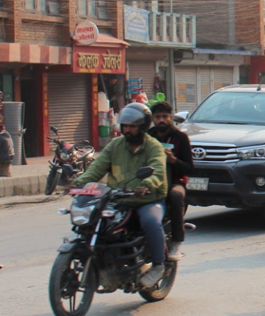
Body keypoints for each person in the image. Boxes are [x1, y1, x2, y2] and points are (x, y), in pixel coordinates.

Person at [75, 103, 168, 289]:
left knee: (150, 221)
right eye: (125, 126)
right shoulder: (115, 145)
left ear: (142, 127)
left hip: (147, 200)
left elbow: (157, 170)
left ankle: (159, 265)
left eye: (132, 126)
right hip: (118, 200)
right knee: (96, 223)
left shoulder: (153, 147)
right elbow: (96, 168)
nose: (128, 130)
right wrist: (78, 184)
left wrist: (145, 185)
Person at [149, 101, 193, 262]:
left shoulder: (181, 137)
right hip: (151, 181)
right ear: (153, 118)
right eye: (158, 117)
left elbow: (189, 168)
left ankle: (177, 242)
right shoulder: (148, 137)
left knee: (175, 196)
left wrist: (173, 160)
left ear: (170, 117)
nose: (161, 120)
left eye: (164, 117)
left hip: (175, 181)